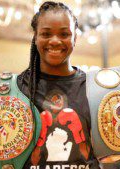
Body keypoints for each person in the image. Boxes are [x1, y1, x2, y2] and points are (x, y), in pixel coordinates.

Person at [17, 1, 99, 168]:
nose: (55, 41)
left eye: (64, 34)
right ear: (36, 36)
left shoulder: (94, 88)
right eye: (46, 34)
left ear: (75, 37)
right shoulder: (17, 88)